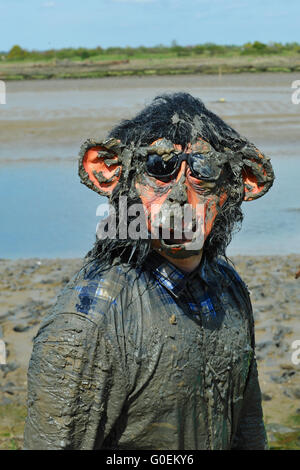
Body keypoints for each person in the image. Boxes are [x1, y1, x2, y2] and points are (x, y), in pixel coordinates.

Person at [24, 92, 274, 450]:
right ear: (112, 174)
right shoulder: (90, 320)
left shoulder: (229, 290)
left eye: (203, 171)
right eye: (158, 167)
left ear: (239, 185)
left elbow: (248, 430)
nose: (177, 196)